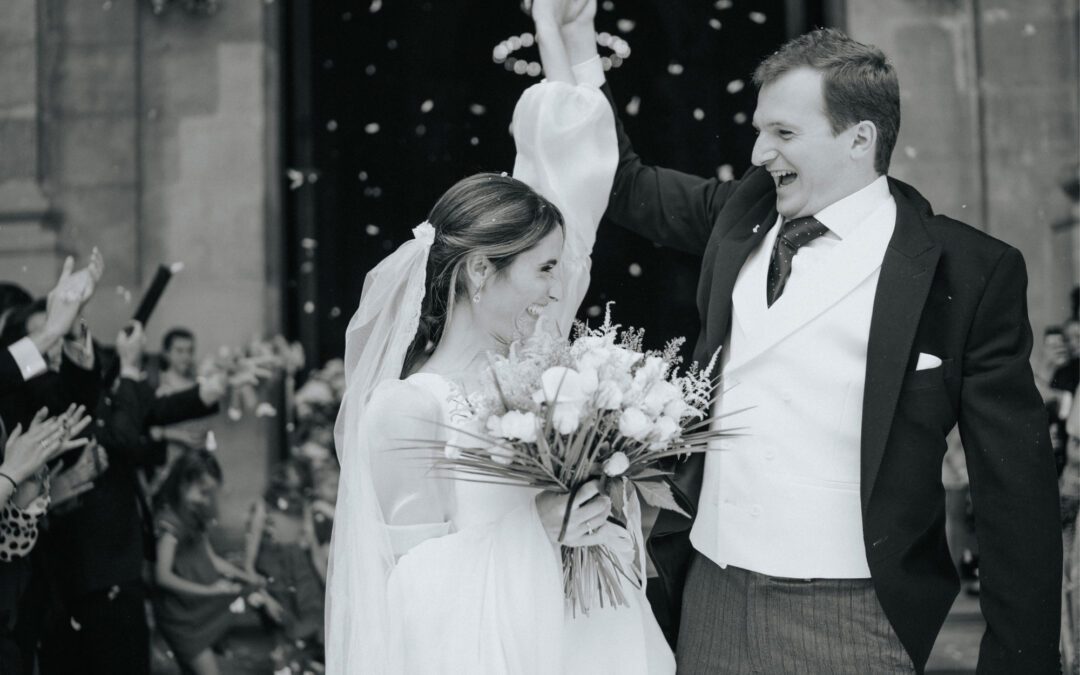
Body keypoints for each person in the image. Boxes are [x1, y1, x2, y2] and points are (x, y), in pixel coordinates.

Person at [547, 6, 1061, 673]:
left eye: (783, 132)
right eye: (760, 130)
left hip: (854, 619)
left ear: (859, 139)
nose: (760, 153)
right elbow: (623, 182)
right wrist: (575, 39)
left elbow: (1013, 492)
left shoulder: (967, 271)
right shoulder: (739, 215)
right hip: (711, 595)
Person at [324, 3, 674, 671]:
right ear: (482, 272)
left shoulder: (537, 368)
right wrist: (537, 528)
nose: (556, 288)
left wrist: (562, 33)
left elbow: (571, 175)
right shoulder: (406, 409)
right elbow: (405, 588)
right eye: (542, 269)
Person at [152, 448, 280, 675]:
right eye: (202, 492)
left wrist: (244, 575)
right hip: (182, 617)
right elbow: (162, 576)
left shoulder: (193, 515)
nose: (206, 500)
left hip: (196, 609)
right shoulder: (169, 524)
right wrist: (210, 591)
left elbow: (211, 559)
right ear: (182, 484)